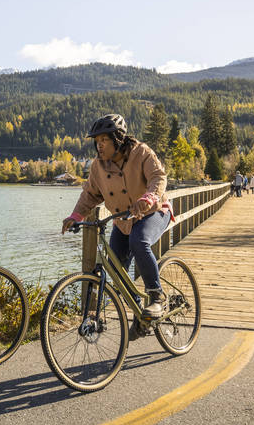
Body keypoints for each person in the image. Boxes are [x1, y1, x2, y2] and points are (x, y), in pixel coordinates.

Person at [61, 114, 174, 340]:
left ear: (118, 138)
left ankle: (157, 297)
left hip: (154, 211)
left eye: (104, 140)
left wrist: (149, 197)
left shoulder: (141, 153)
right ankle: (141, 316)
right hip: (123, 220)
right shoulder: (98, 166)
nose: (99, 145)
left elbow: (158, 177)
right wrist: (75, 215)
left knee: (139, 241)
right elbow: (90, 194)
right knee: (116, 268)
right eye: (97, 141)